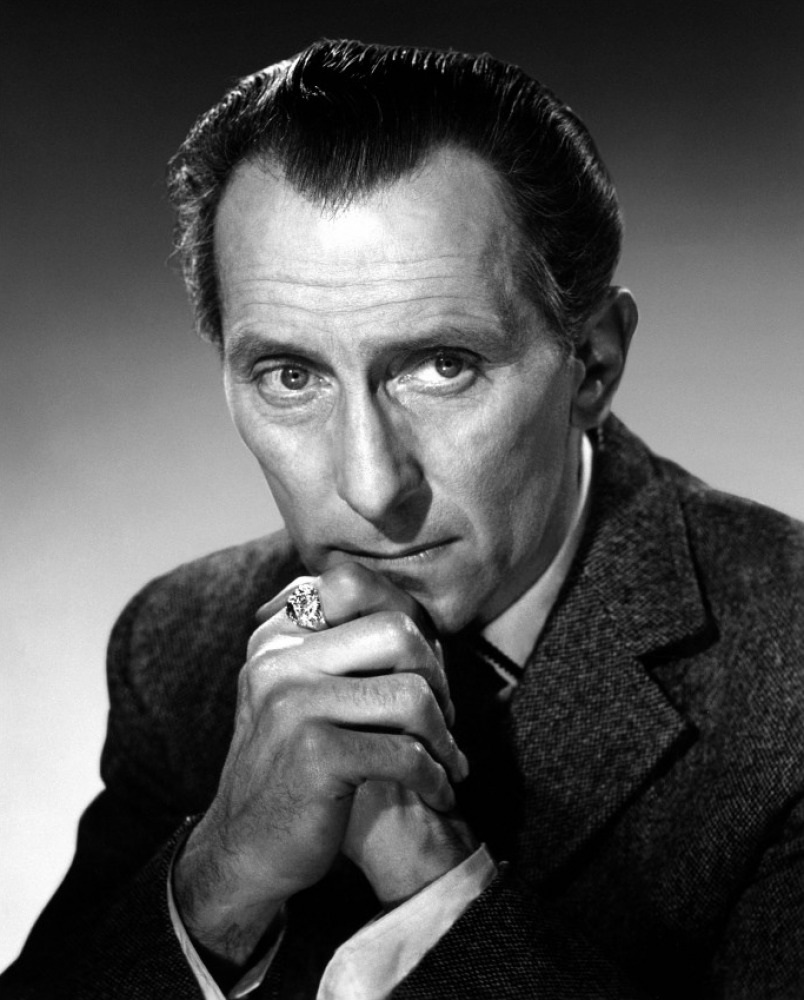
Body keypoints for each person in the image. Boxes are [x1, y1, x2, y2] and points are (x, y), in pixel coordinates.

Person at [3, 37, 803, 1000]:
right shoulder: (176, 645)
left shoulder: (789, 673)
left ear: (592, 363)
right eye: (290, 376)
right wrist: (218, 880)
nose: (372, 486)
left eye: (441, 365)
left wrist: (436, 894)